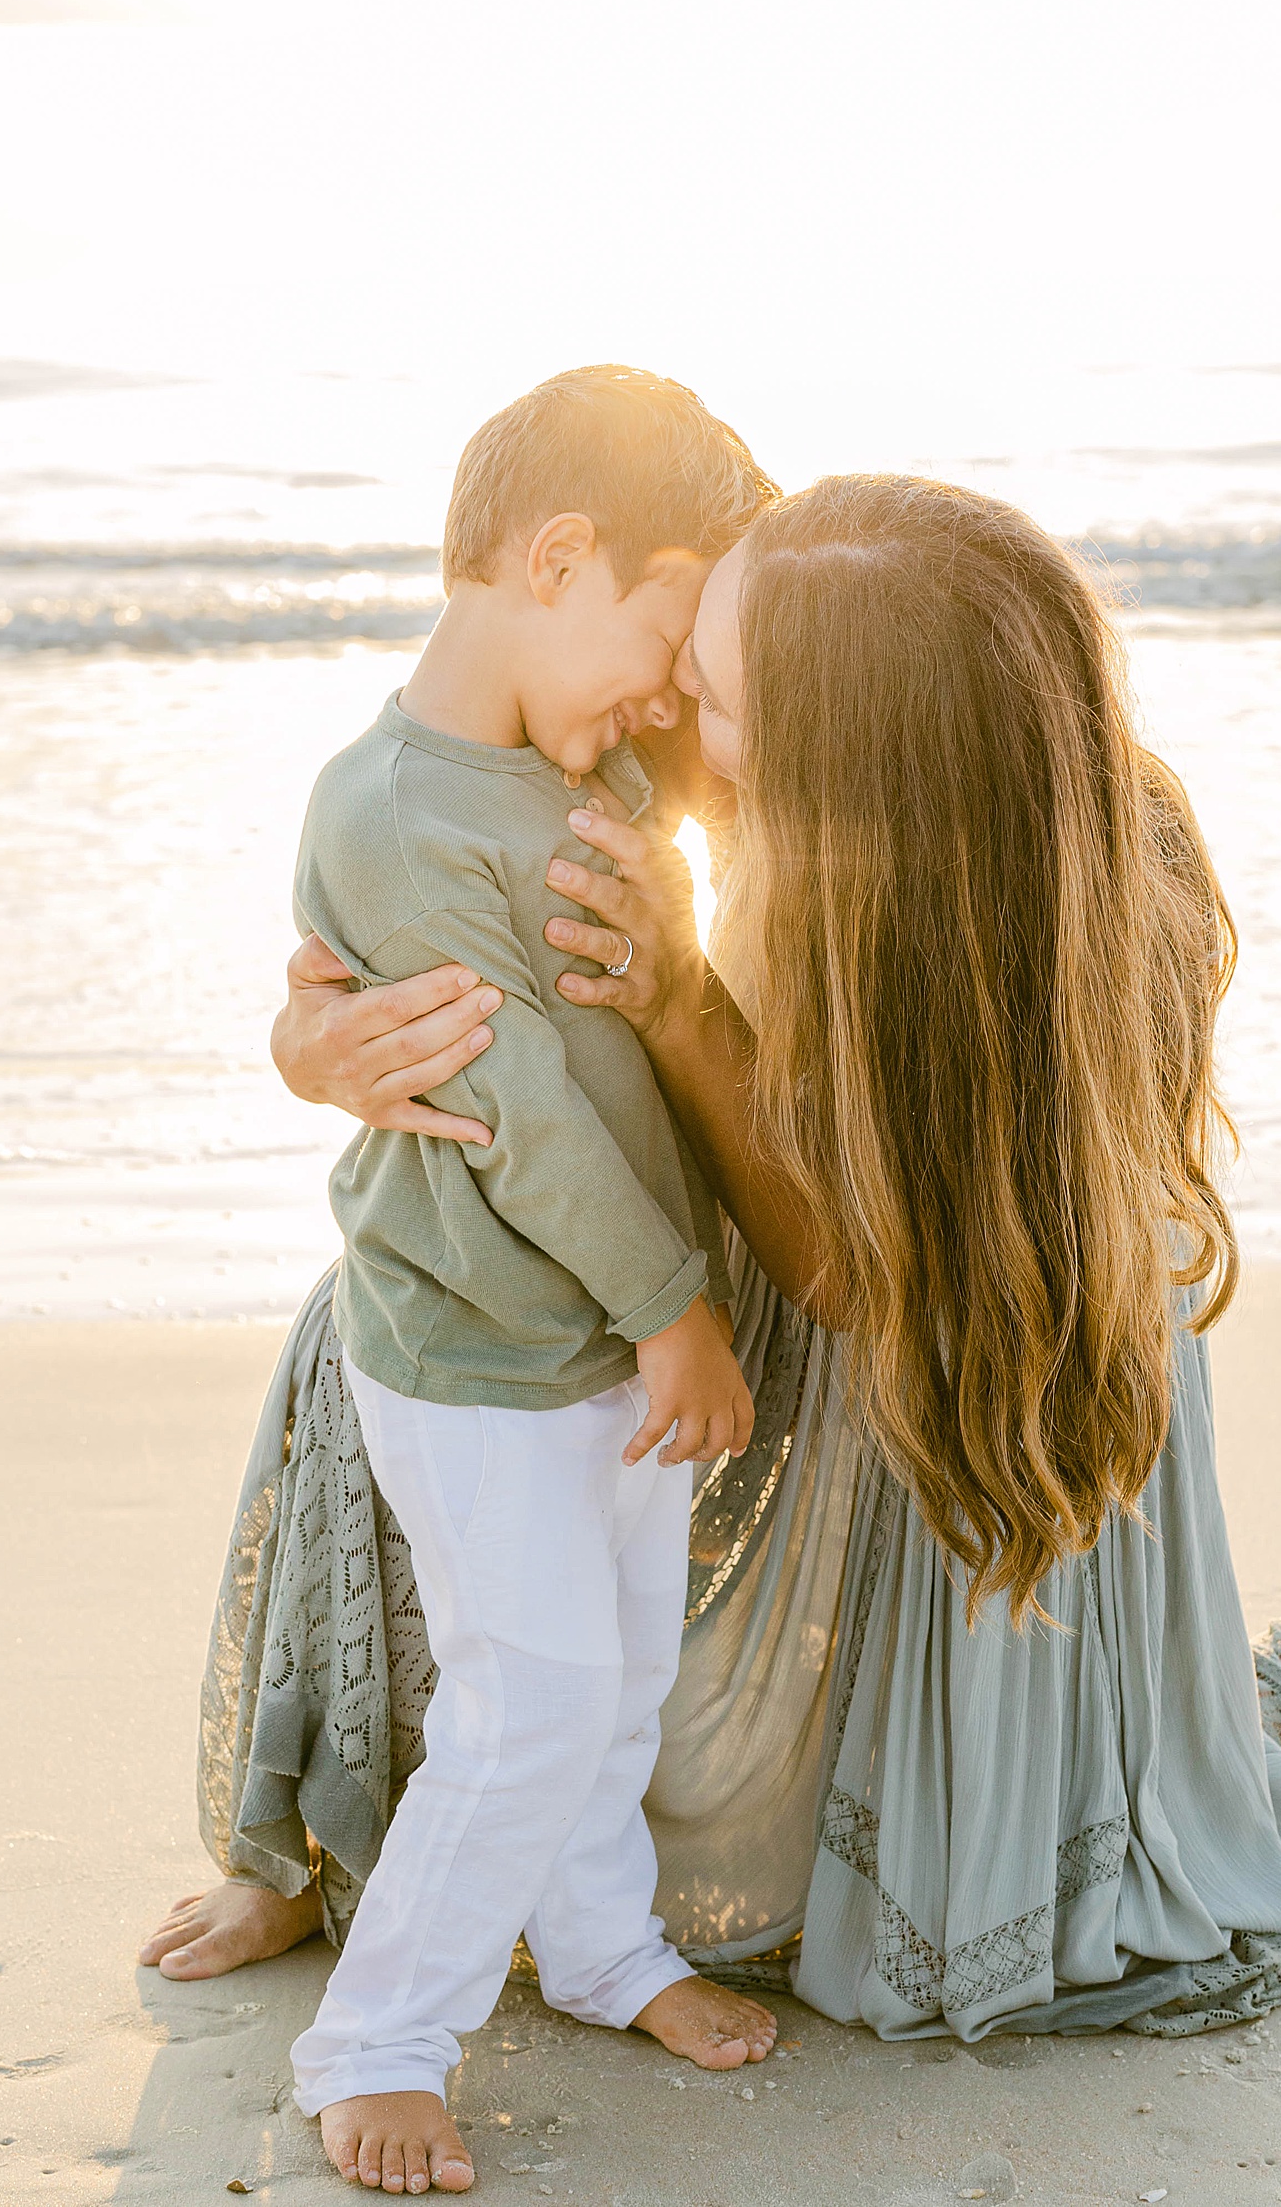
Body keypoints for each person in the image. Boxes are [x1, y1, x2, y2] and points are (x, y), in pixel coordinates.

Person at [147, 475, 1281, 2179]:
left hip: (960, 1359)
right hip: (728, 1268)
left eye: (721, 688)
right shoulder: (781, 621)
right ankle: (319, 1838)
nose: (679, 702)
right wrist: (316, 1042)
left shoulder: (1098, 891)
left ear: (853, 753)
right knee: (384, 1320)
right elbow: (434, 869)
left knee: (654, 1773)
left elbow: (877, 1281)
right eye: (691, 649)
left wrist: (691, 1008)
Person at [265, 367, 784, 2196]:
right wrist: (683, 1313)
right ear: (556, 557)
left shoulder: (598, 754)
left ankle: (605, 1949)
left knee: (621, 1669)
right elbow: (528, 1119)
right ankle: (382, 2039)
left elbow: (738, 758)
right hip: (482, 1351)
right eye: (661, 628)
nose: (669, 688)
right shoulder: (399, 815)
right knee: (534, 1694)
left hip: (598, 1347)